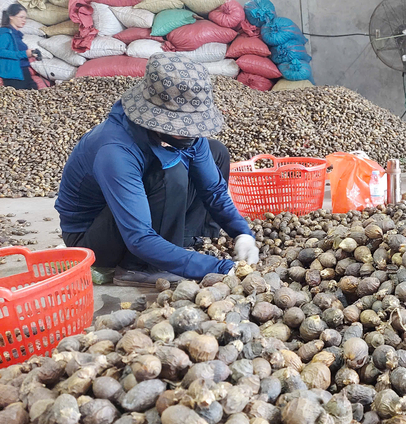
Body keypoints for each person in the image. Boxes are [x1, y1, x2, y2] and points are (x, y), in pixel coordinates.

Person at [55, 53, 260, 287]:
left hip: (136, 219)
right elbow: (139, 237)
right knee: (170, 173)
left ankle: (175, 245)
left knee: (215, 152)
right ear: (157, 120)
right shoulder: (116, 150)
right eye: (182, 127)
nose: (190, 133)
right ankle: (138, 268)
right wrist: (217, 268)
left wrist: (242, 233)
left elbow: (213, 190)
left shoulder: (186, 135)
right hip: (93, 237)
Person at [0, 3, 38, 90]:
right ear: (11, 16)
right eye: (21, 17)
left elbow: (16, 51)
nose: (24, 20)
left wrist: (31, 54)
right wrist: (24, 54)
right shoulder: (5, 33)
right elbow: (1, 52)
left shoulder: (17, 35)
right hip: (14, 76)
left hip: (23, 72)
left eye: (25, 18)